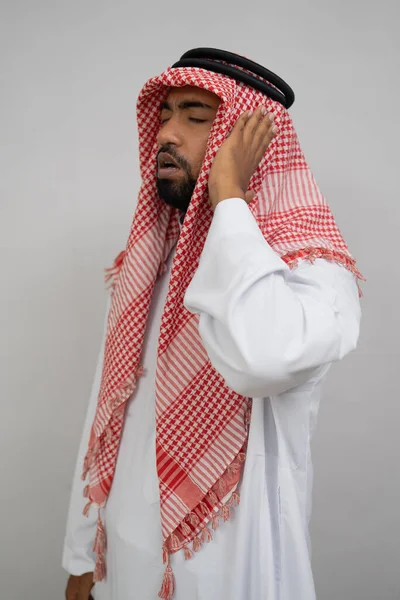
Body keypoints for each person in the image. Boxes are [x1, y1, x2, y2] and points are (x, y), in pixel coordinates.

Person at [63, 49, 363, 600]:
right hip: (124, 561)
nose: (167, 134)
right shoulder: (147, 265)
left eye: (197, 118)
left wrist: (229, 195)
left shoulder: (312, 270)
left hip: (234, 569)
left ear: (250, 145)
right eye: (165, 114)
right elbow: (106, 410)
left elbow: (261, 362)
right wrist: (83, 556)